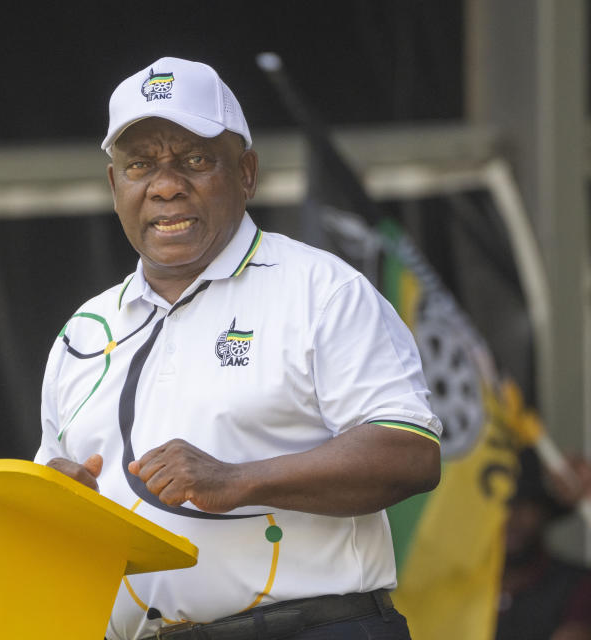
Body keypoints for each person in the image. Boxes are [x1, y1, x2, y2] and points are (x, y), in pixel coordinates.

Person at [34, 56, 441, 640]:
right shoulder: (84, 330)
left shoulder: (320, 290)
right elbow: (53, 484)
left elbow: (409, 451)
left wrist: (237, 480)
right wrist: (55, 500)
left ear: (246, 174)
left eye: (195, 161)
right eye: (140, 165)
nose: (166, 185)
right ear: (114, 186)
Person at [495, 448, 591, 640]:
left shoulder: (577, 587)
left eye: (522, 504)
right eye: (500, 505)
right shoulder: (454, 587)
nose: (510, 518)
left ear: (543, 511)